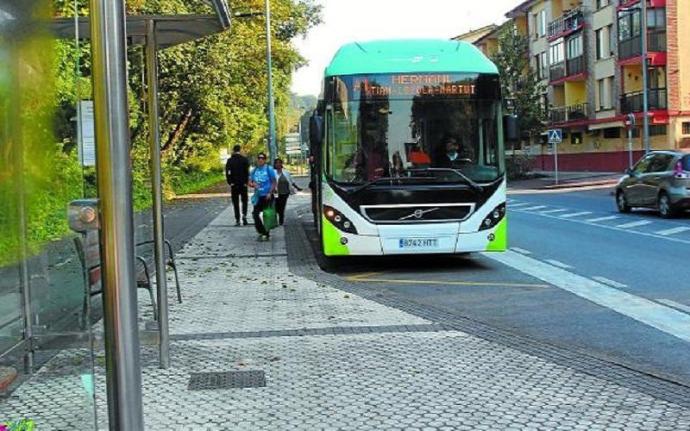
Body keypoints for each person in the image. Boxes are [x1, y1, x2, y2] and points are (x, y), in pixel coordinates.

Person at [249, 153, 277, 241]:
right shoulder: (254, 170)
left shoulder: (269, 169)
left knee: (267, 215)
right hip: (258, 196)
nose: (260, 160)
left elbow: (274, 182)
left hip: (267, 196)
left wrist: (270, 192)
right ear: (257, 160)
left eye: (262, 158)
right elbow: (249, 182)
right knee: (255, 214)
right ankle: (262, 231)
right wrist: (253, 184)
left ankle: (266, 233)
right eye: (259, 158)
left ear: (265, 160)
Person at [225, 145, 250, 226]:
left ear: (233, 150)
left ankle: (237, 219)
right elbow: (247, 172)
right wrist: (246, 182)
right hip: (243, 184)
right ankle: (244, 215)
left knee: (235, 202)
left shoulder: (230, 160)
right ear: (240, 150)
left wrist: (230, 182)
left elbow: (228, 172)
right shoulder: (244, 160)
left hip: (234, 184)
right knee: (244, 201)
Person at [273, 158, 303, 225]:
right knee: (276, 207)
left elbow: (291, 181)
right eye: (276, 163)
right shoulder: (273, 172)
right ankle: (277, 217)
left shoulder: (286, 172)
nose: (278, 164)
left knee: (282, 206)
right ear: (274, 164)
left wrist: (297, 188)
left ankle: (281, 220)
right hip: (276, 193)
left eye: (279, 163)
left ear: (281, 164)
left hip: (285, 193)